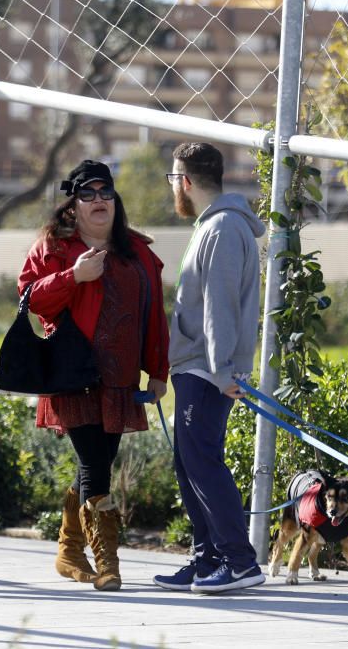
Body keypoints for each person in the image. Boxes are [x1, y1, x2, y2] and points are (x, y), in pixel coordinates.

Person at [17, 159, 169, 591]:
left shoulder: (138, 252)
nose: (99, 200)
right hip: (70, 372)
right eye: (88, 194)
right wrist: (73, 276)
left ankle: (68, 549)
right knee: (95, 465)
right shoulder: (54, 247)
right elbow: (30, 299)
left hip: (119, 377)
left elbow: (154, 315)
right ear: (74, 204)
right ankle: (108, 565)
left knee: (96, 464)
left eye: (106, 193)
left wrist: (158, 370)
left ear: (115, 201)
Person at [153, 142, 267, 594]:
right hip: (198, 367)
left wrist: (223, 373)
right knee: (190, 464)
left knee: (203, 464)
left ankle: (239, 562)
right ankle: (207, 560)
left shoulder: (220, 228)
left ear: (184, 181)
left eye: (171, 180)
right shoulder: (216, 225)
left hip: (207, 371)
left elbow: (220, 307)